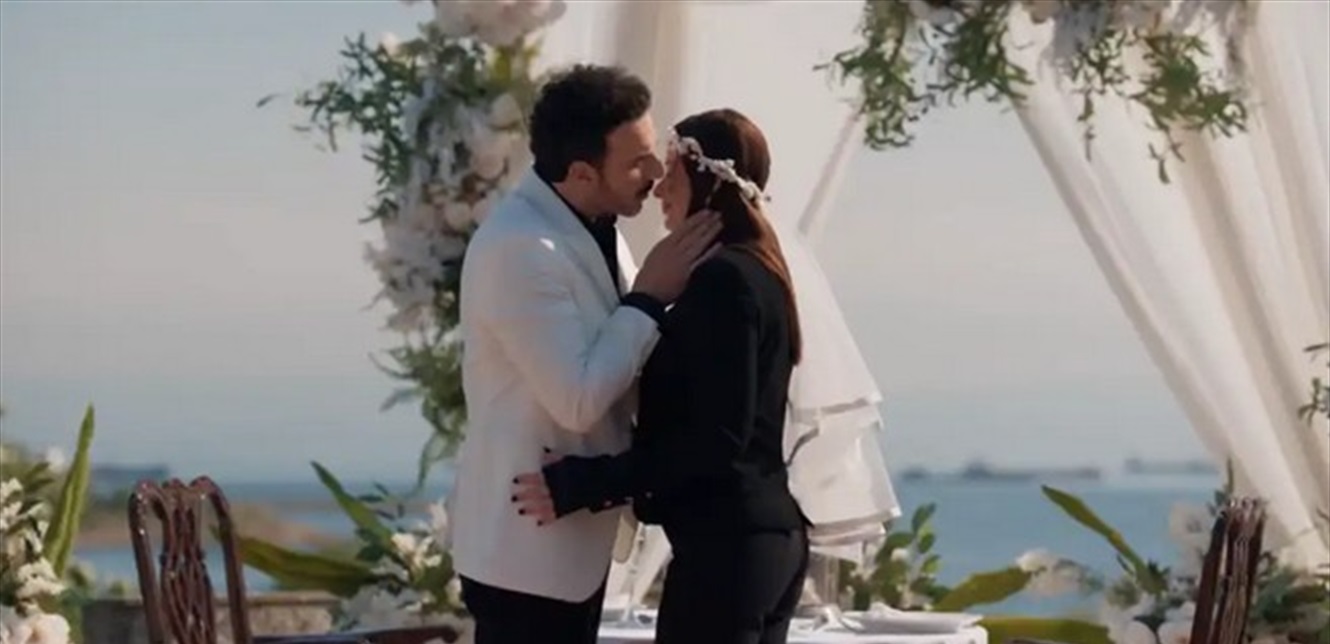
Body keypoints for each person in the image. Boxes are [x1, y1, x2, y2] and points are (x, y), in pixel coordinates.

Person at [513, 108, 810, 644]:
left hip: (729, 553)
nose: (658, 191)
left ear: (706, 181)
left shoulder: (724, 282)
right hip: (759, 544)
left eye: (671, 174)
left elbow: (715, 440)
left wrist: (585, 483)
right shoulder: (759, 271)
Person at [448, 64, 722, 644]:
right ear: (580, 173)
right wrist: (648, 298)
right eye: (637, 162)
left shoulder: (598, 225)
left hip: (573, 543)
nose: (657, 173)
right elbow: (577, 400)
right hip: (526, 556)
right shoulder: (520, 248)